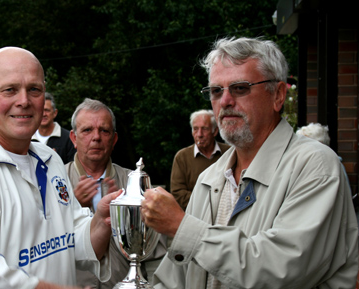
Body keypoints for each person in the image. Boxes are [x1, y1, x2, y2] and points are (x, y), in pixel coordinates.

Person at [141, 37, 358, 288]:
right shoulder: (209, 179)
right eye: (216, 91)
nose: (225, 101)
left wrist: (182, 228)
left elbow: (278, 270)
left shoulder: (316, 166)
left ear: (278, 95)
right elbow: (173, 280)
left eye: (240, 88)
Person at [0, 47, 119, 289]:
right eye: (10, 90)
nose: (24, 101)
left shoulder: (50, 160)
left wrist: (102, 221)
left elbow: (70, 242)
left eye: (34, 89)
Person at [65, 98, 167, 288]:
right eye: (87, 130)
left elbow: (156, 254)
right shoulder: (56, 182)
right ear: (73, 138)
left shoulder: (135, 183)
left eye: (104, 130)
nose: (96, 137)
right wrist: (70, 207)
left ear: (114, 139)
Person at [170, 109, 230, 210]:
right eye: (195, 129)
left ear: (215, 131)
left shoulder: (229, 153)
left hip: (225, 214)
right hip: (193, 216)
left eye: (205, 129)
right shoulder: (182, 157)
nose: (199, 134)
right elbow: (178, 193)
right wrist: (210, 204)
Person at [32, 92, 76, 163]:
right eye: (40, 110)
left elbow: (73, 169)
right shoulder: (27, 139)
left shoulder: (68, 138)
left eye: (47, 110)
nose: (44, 114)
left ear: (55, 113)